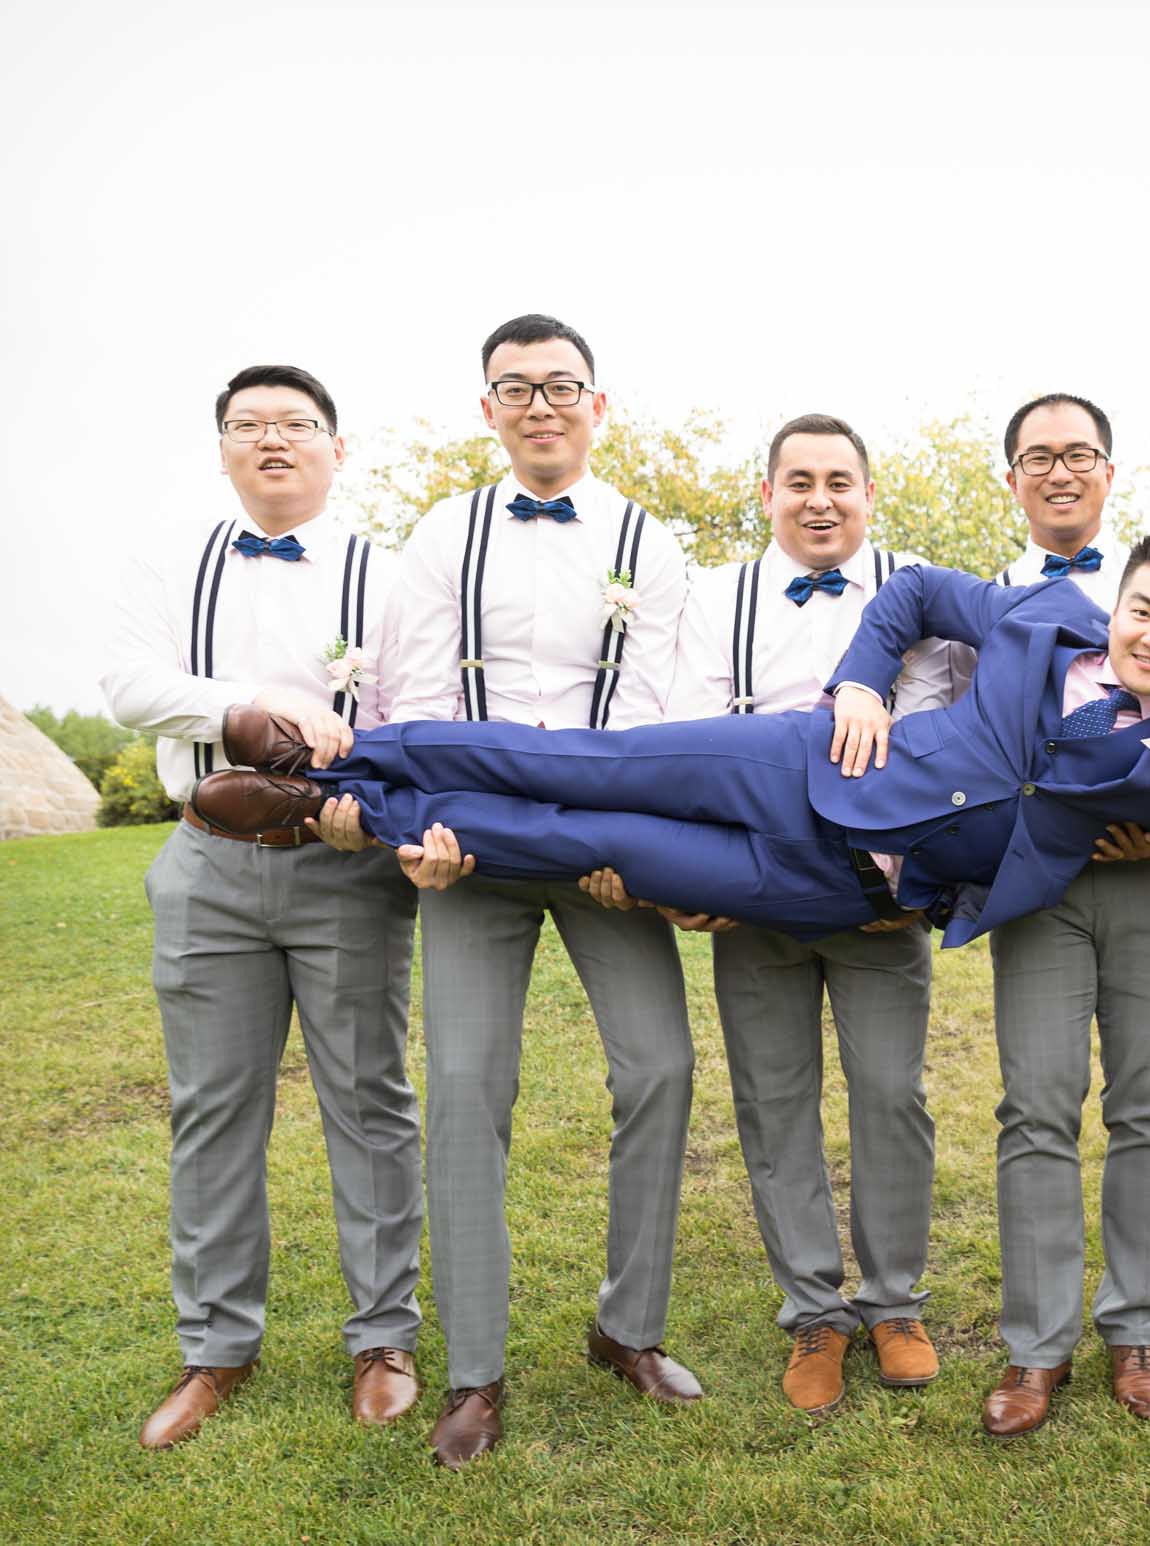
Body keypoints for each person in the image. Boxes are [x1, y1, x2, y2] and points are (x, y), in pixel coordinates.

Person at [193, 536, 1150, 949]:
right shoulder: (1042, 616)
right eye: (1143, 610)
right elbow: (913, 592)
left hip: (841, 888)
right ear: (1115, 603)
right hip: (797, 764)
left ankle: (330, 812)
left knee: (586, 843)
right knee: (572, 763)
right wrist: (860, 684)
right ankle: (339, 752)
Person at [378, 313, 697, 1468]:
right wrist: (421, 838)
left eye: (561, 385)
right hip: (471, 855)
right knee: (466, 1088)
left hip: (605, 854)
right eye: (516, 388)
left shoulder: (650, 543)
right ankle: (474, 1372)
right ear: (489, 409)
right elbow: (413, 698)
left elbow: (666, 705)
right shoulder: (441, 533)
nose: (540, 405)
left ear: (596, 405)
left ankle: (628, 1327)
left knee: (660, 1066)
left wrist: (641, 846)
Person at [101, 365, 424, 1448]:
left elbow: (415, 710)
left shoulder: (389, 574)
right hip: (206, 866)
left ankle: (384, 1337)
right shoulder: (171, 562)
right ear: (224, 449)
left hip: (345, 867)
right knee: (212, 1109)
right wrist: (251, 703)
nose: (272, 439)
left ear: (337, 446)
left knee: (369, 1101)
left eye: (296, 423)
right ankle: (216, 1348)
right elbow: (129, 685)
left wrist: (368, 804)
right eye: (249, 425)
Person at [657, 413, 954, 1412]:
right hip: (755, 894)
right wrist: (698, 879)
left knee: (892, 1094)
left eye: (838, 481)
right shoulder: (717, 598)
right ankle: (813, 1313)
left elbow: (963, 743)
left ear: (868, 494)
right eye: (799, 482)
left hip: (883, 906)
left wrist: (927, 877)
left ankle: (895, 1302)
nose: (819, 500)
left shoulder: (920, 591)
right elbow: (689, 739)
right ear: (769, 495)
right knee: (773, 1100)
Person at [974, 394, 1150, 1438]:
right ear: (1013, 478)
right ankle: (1035, 1346)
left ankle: (1137, 1327)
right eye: (1038, 456)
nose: (1059, 471)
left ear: (1108, 470)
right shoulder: (990, 602)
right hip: (1039, 886)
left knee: (1149, 1100)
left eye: (1078, 454)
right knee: (1035, 1103)